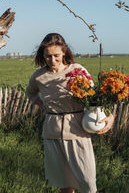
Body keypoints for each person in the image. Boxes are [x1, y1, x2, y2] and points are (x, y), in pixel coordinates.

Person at [26, 33, 115, 193]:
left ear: (65, 52)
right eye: (48, 56)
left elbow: (96, 97)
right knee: (64, 183)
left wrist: (110, 117)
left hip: (77, 132)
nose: (52, 60)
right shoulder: (39, 76)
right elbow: (30, 93)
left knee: (88, 183)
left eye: (56, 56)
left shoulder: (77, 70)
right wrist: (43, 105)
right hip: (51, 134)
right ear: (43, 55)